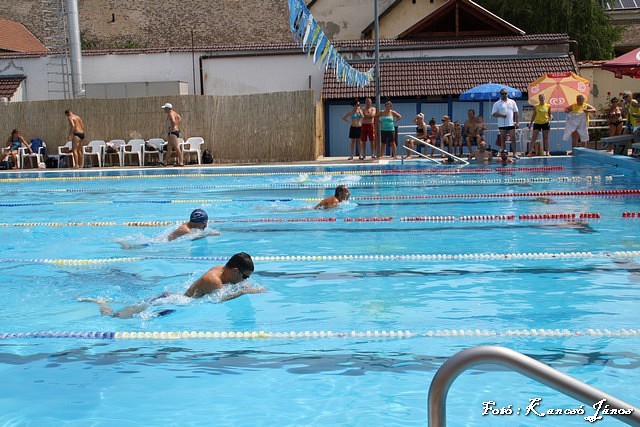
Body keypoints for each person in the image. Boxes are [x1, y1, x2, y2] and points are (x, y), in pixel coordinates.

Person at [79, 253, 264, 318]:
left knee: (128, 311)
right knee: (115, 318)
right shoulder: (214, 280)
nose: (244, 281)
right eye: (245, 277)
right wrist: (245, 291)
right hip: (169, 303)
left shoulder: (222, 270)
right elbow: (219, 299)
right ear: (235, 270)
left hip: (172, 300)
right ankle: (101, 302)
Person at [118, 208, 220, 249]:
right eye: (204, 223)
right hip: (159, 243)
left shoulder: (189, 225)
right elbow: (194, 238)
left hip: (161, 240)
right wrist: (208, 234)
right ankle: (124, 244)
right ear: (197, 223)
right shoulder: (186, 230)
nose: (205, 225)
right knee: (131, 249)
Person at [491, 88, 520, 158]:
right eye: (503, 94)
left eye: (505, 93)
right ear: (500, 94)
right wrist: (501, 115)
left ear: (507, 94)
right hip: (502, 124)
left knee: (513, 138)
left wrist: (517, 122)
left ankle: (514, 153)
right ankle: (504, 154)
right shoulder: (497, 103)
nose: (504, 95)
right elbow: (493, 114)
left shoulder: (512, 102)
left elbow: (516, 112)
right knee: (503, 139)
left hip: (511, 123)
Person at [161, 102, 184, 167]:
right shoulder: (175, 113)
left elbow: (173, 121)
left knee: (176, 147)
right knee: (169, 148)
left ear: (168, 108)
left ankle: (181, 162)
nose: (164, 110)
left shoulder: (170, 113)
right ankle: (165, 162)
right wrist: (176, 125)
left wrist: (173, 127)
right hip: (173, 132)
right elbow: (179, 118)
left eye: (165, 108)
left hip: (173, 132)